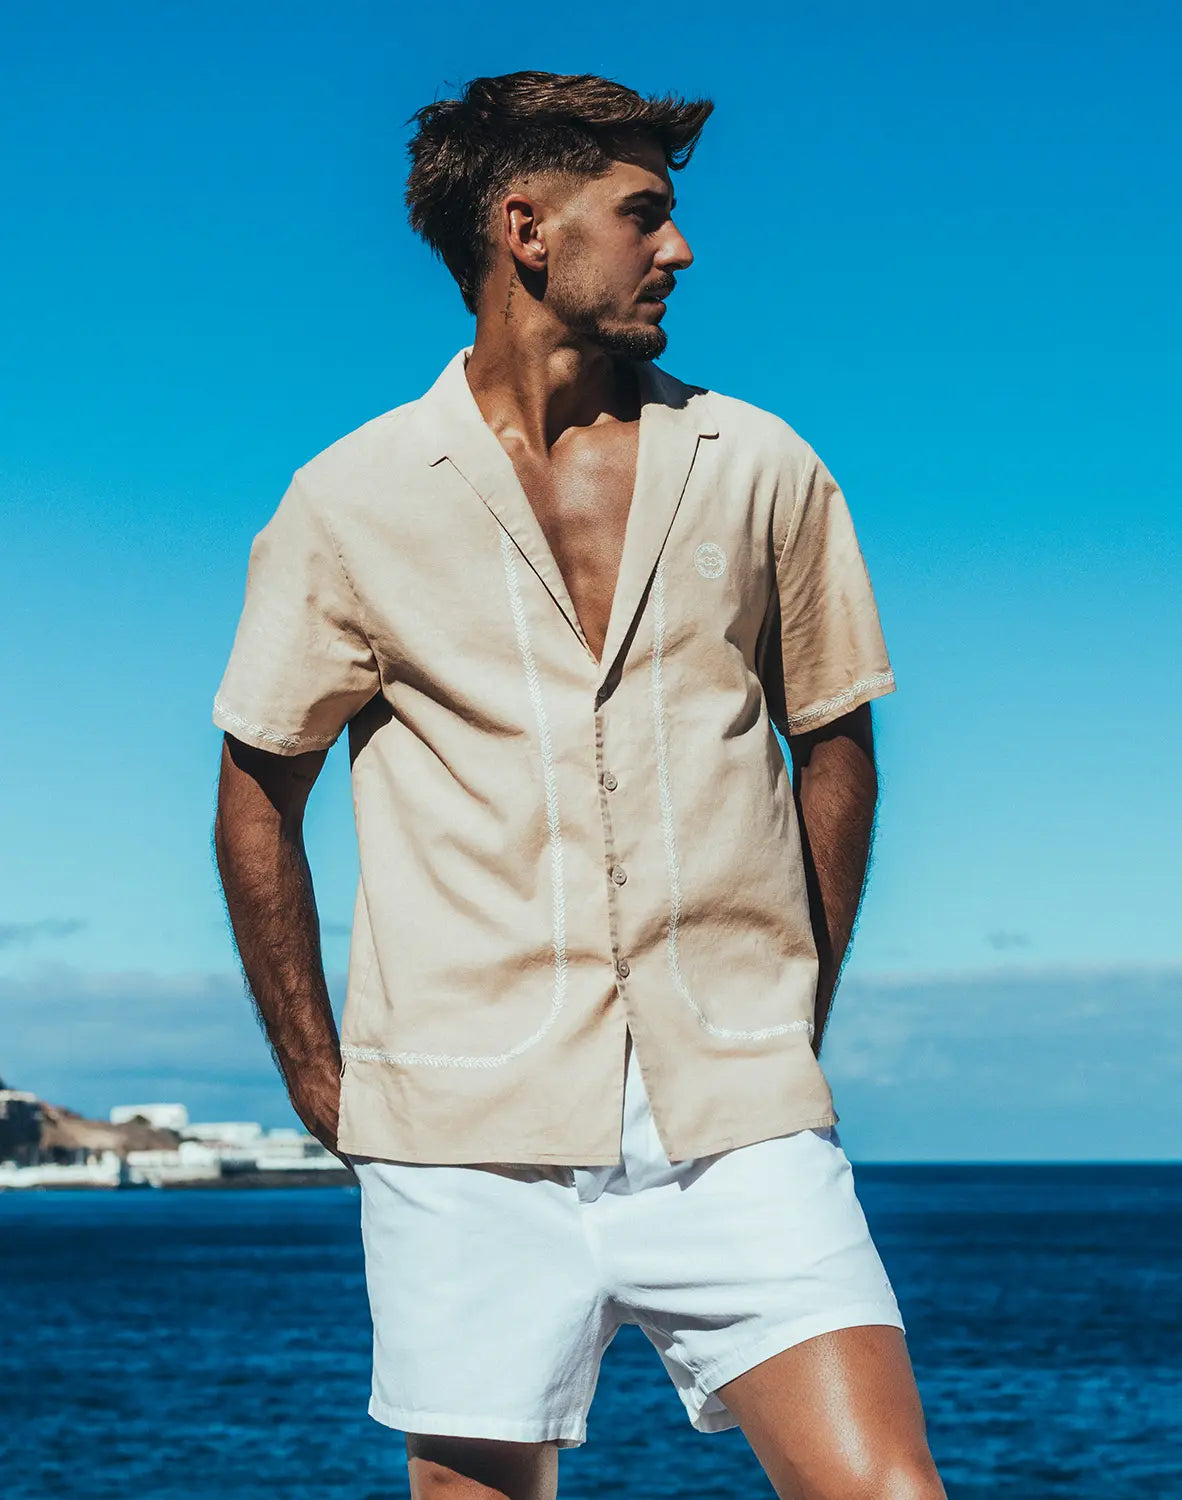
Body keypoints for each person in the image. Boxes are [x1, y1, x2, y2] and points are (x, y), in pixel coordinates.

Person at [212, 69, 945, 1500]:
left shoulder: (759, 464)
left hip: (735, 1116)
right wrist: (317, 1074)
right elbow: (258, 793)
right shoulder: (350, 499)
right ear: (526, 228)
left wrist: (786, 1008)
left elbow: (833, 736)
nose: (680, 249)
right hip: (461, 1131)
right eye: (643, 213)